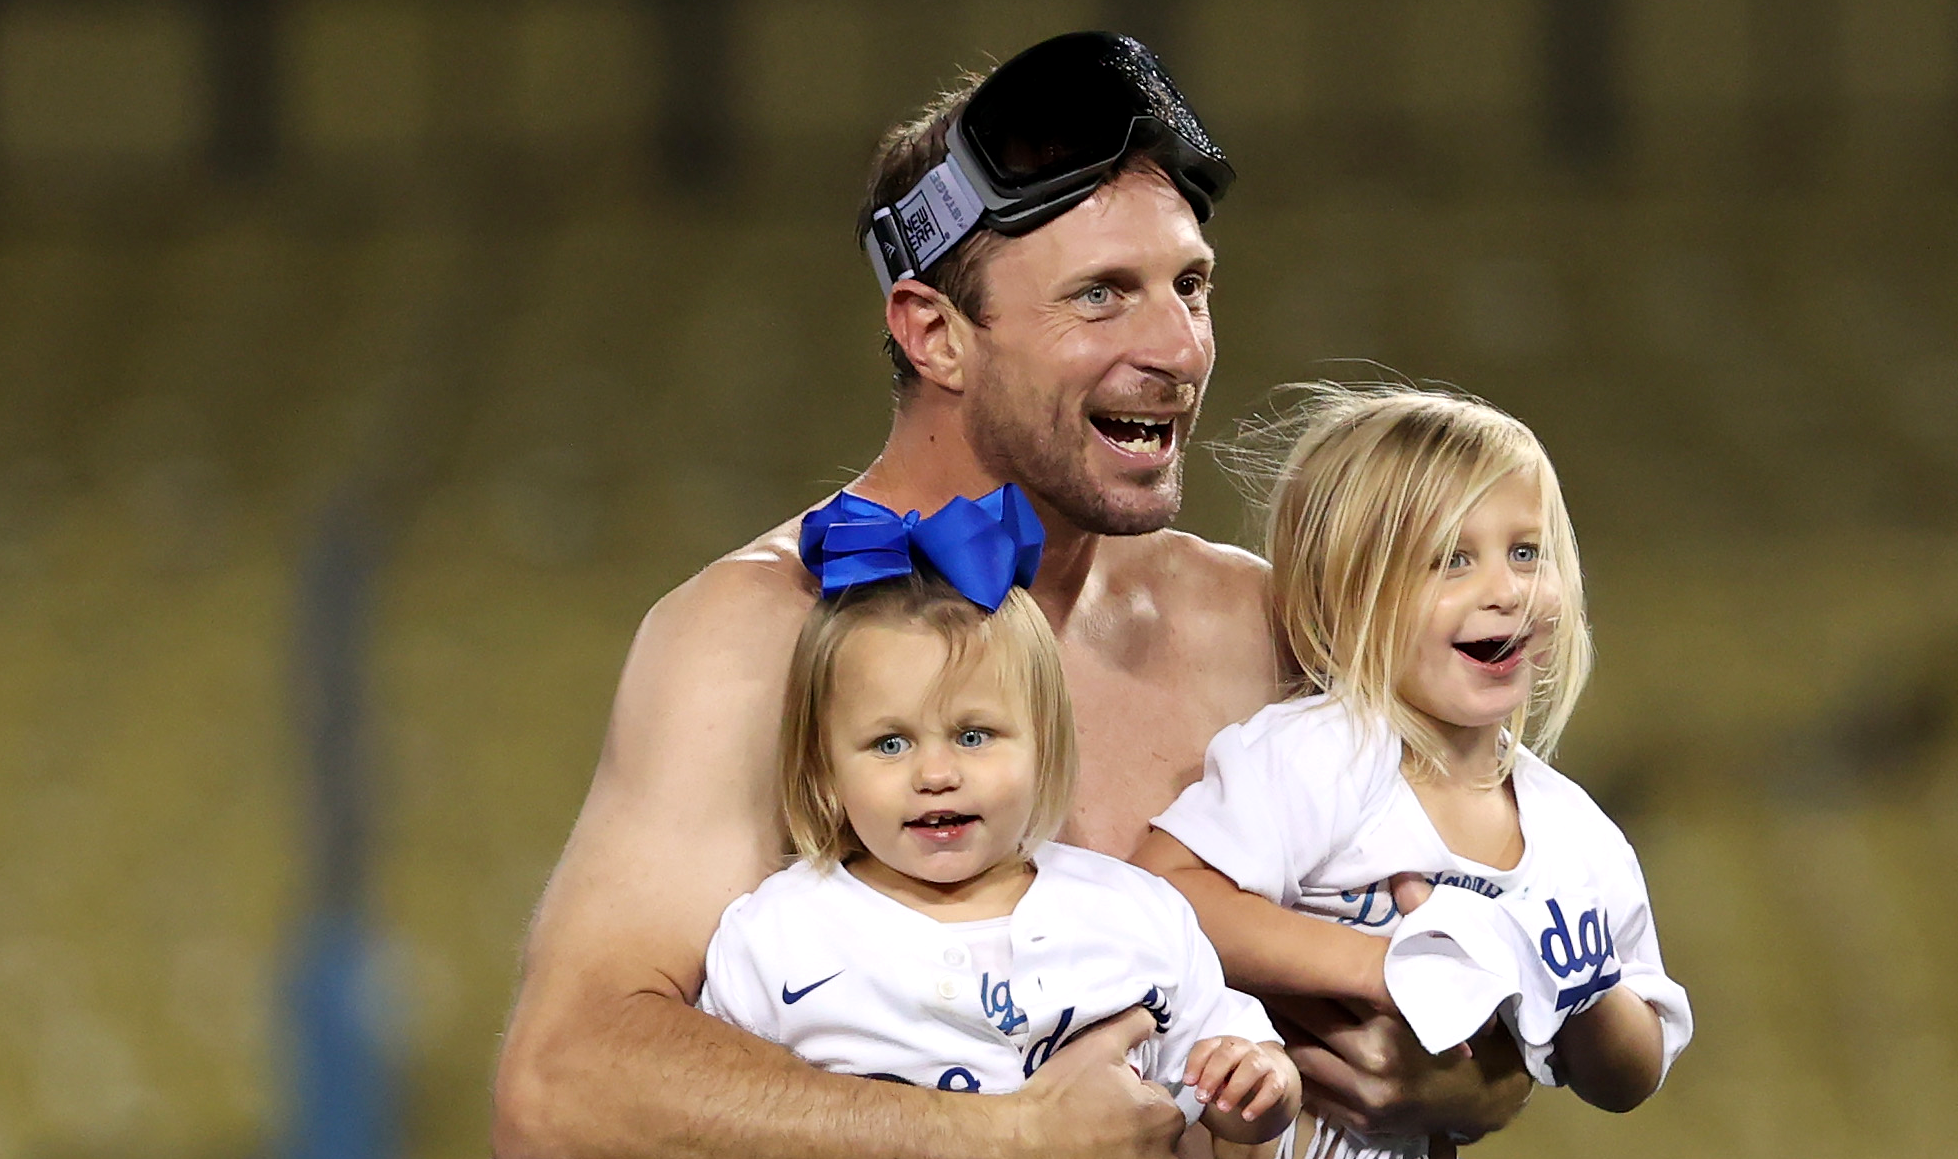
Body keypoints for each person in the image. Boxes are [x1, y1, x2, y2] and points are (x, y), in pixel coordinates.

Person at [493, 33, 1532, 1159]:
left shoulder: (1266, 625)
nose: (1177, 347)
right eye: (1101, 296)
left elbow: (1511, 972)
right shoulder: (762, 635)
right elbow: (561, 1089)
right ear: (931, 331)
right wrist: (1000, 1135)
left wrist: (1474, 1079)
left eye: (1190, 285)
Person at [1135, 386, 1694, 1158]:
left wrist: (1586, 987)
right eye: (1452, 560)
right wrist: (1383, 967)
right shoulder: (1319, 755)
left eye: (1527, 552)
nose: (1505, 589)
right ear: (1347, 593)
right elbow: (1164, 890)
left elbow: (1632, 1075)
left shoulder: (1573, 835)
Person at [697, 485, 1300, 1158]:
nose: (935, 773)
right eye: (890, 743)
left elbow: (1240, 1082)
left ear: (1045, 743)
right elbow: (718, 1119)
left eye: (975, 735)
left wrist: (1260, 1086)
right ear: (823, 768)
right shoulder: (772, 937)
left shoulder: (1136, 914)